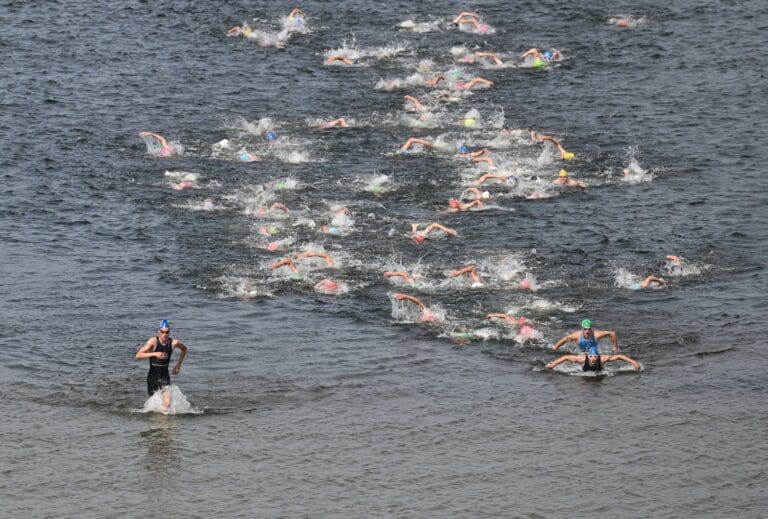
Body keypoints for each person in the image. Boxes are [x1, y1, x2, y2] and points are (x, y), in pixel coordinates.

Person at [135, 320, 188, 410]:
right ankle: (157, 422)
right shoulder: (153, 342)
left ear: (169, 332)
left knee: (167, 402)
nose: (165, 334)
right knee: (153, 403)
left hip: (164, 375)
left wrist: (178, 365)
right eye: (163, 332)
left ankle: (166, 422)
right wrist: (155, 354)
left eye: (167, 332)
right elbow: (138, 355)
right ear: (159, 331)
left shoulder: (173, 343)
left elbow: (184, 349)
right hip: (152, 376)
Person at [546, 346, 641, 372]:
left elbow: (619, 356)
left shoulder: (602, 359)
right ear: (587, 356)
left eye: (595, 356)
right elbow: (566, 357)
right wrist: (553, 365)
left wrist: (633, 362)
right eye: (591, 356)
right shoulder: (582, 359)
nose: (593, 359)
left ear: (598, 356)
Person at [553, 319, 619, 353]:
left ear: (591, 329)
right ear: (582, 329)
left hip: (594, 352)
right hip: (581, 352)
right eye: (585, 329)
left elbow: (613, 333)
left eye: (589, 329)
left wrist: (616, 348)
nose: (587, 331)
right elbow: (565, 339)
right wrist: (555, 347)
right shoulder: (577, 335)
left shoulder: (596, 334)